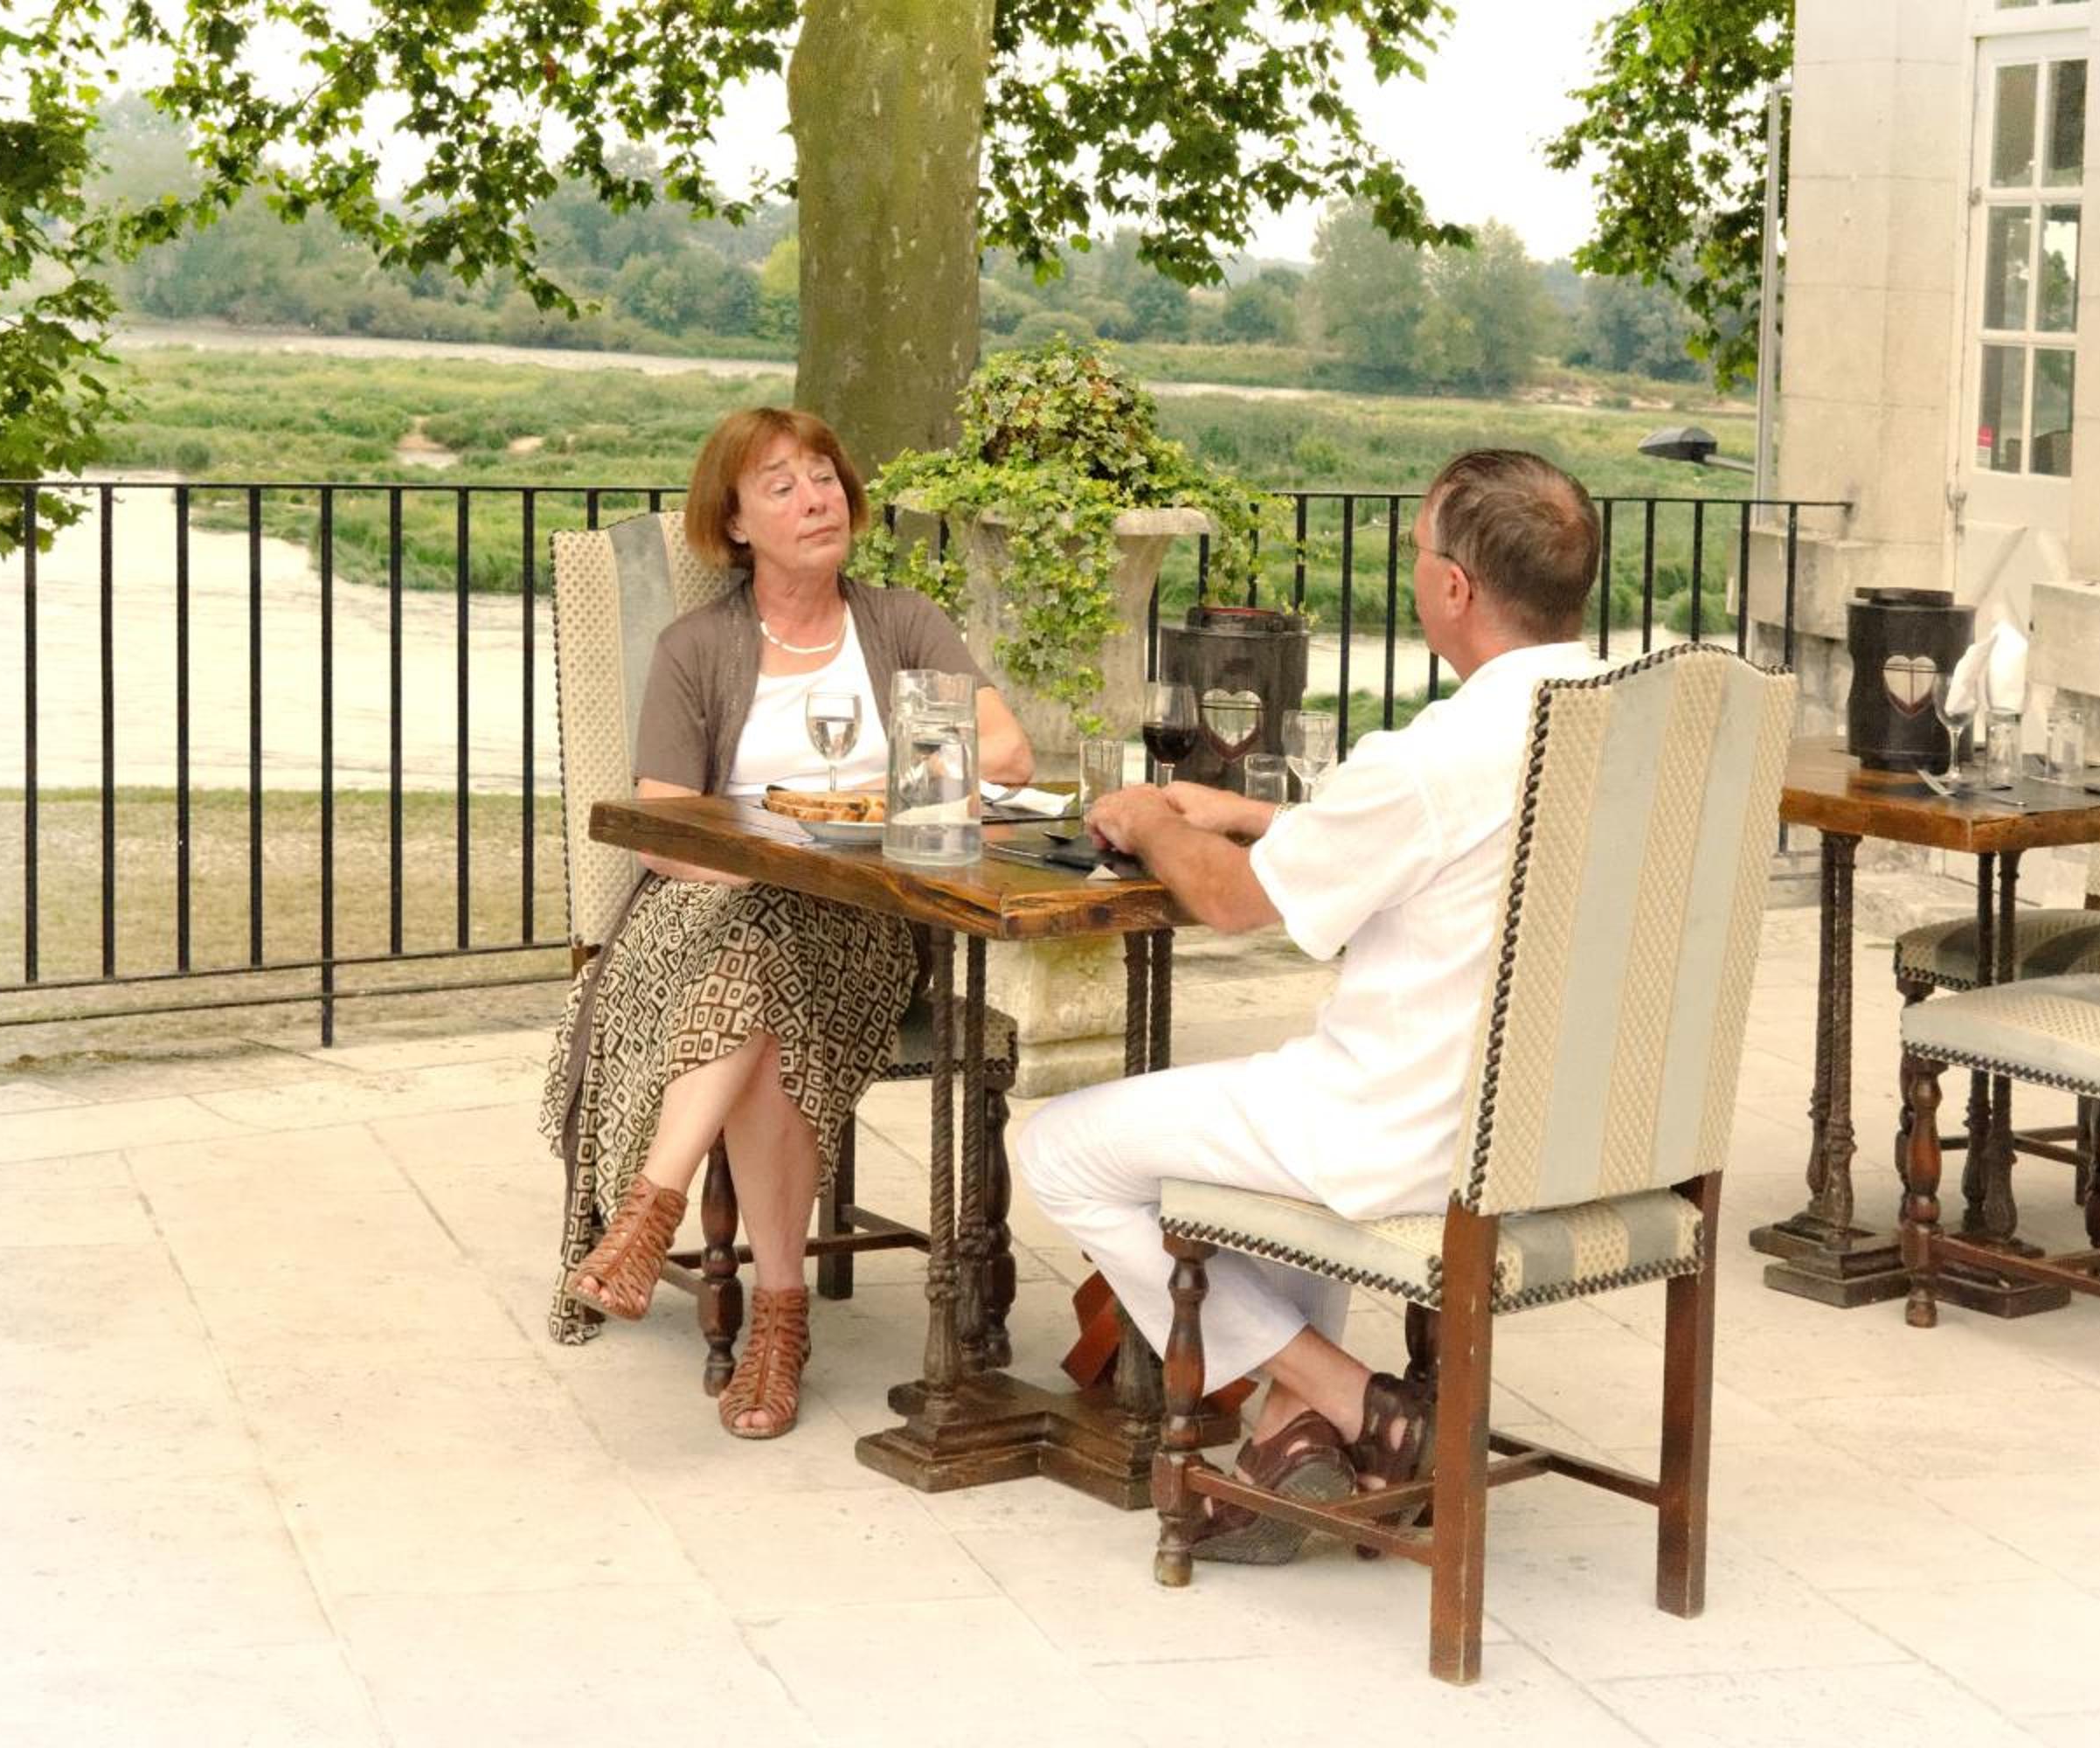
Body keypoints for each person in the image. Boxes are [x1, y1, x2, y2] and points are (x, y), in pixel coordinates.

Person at [1015, 448, 1601, 1559]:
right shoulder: (1622, 721)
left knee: (1060, 1149)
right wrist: (1247, 812)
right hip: (1567, 1138)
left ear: (1454, 588)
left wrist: (1152, 822)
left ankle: (1348, 1396)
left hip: (1409, 1139)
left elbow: (1234, 905)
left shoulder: (1438, 754)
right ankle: (1291, 1437)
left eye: (1417, 552)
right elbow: (1440, 846)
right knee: (1265, 1134)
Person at [542, 406, 1033, 1439]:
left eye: (824, 477)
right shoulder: (696, 647)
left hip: (868, 920)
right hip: (702, 915)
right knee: (763, 956)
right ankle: (778, 1319)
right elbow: (663, 828)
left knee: (774, 958)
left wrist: (864, 805)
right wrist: (774, 858)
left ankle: (652, 1209)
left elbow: (1007, 753)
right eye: (781, 484)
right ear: (734, 523)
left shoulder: (902, 623)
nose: (816, 499)